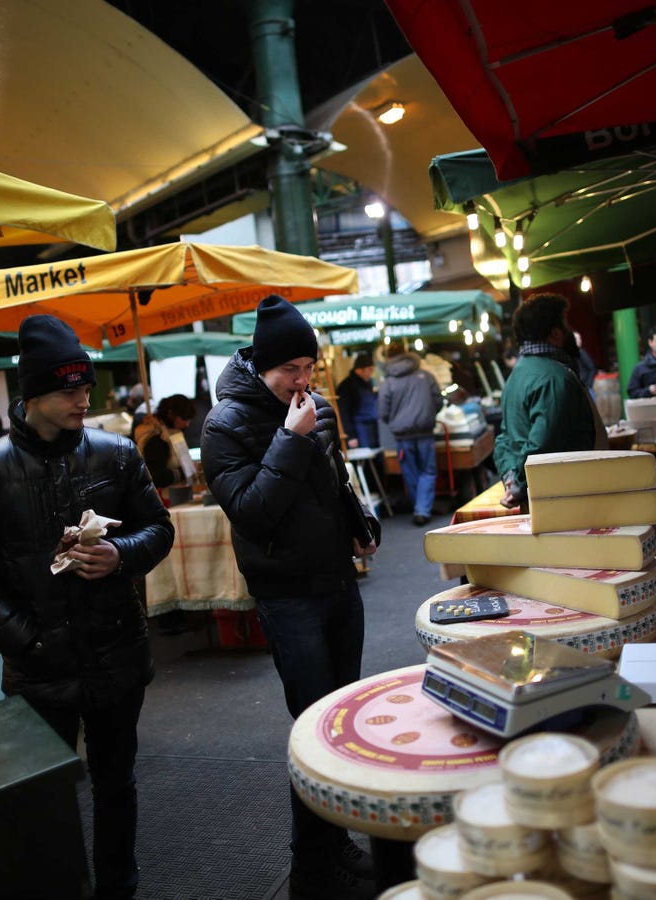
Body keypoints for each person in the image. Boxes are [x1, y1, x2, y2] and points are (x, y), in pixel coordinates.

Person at [0, 314, 174, 900]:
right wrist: (25, 637)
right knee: (45, 794)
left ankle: (119, 886)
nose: (83, 397)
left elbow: (159, 530)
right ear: (34, 394)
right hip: (39, 665)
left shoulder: (116, 454)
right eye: (69, 388)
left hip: (116, 651)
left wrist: (119, 555)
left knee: (116, 783)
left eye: (85, 385)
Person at [200, 295, 380, 900]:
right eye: (291, 371)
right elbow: (251, 512)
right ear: (261, 365)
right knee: (314, 730)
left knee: (343, 723)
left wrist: (359, 523)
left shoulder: (317, 408)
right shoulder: (224, 424)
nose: (303, 381)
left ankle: (336, 845)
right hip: (286, 595)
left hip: (337, 582)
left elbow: (332, 482)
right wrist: (290, 439)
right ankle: (310, 869)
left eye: (310, 367)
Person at [495, 294, 601, 509]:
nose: (570, 330)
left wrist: (512, 478)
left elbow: (503, 439)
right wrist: (519, 484)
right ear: (555, 333)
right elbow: (543, 445)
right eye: (566, 323)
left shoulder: (516, 376)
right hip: (564, 500)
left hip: (539, 500)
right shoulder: (555, 378)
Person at [379, 342, 442, 525]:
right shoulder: (426, 376)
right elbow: (438, 401)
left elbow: (383, 411)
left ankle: (420, 508)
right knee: (428, 471)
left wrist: (395, 422)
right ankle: (422, 509)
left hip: (402, 436)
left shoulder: (388, 382)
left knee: (410, 473)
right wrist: (428, 415)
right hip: (425, 432)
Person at [133, 393, 196, 490]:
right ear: (171, 414)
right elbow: (156, 476)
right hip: (166, 497)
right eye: (184, 419)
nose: (187, 424)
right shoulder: (156, 439)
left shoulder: (172, 433)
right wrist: (183, 472)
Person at [335, 353, 379, 450]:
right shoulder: (346, 386)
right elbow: (343, 413)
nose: (371, 373)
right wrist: (351, 436)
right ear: (360, 369)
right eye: (370, 370)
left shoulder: (368, 383)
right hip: (359, 430)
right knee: (366, 461)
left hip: (373, 426)